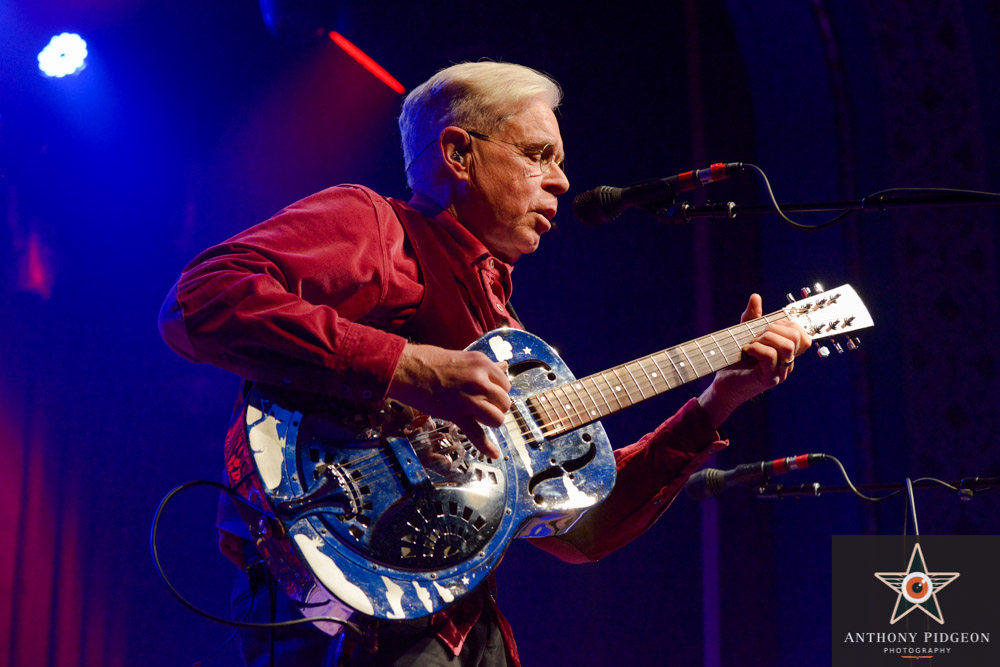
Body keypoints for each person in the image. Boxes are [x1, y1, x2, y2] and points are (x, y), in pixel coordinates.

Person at [159, 61, 811, 666]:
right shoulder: (379, 229)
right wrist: (409, 368)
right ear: (457, 153)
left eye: (559, 162)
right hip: (342, 622)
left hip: (466, 636)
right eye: (537, 155)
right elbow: (201, 299)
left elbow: (579, 532)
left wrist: (716, 404)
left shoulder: (511, 339)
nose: (560, 179)